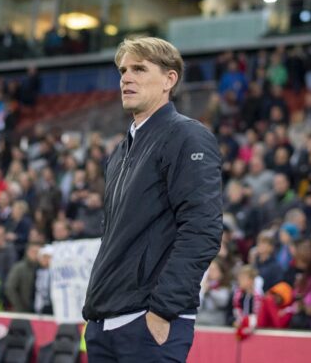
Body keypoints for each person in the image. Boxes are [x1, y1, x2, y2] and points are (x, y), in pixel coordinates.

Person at [83, 37, 222, 362]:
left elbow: (202, 230)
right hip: (104, 322)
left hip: (149, 322)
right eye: (123, 70)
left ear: (169, 80)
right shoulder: (120, 151)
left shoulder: (188, 136)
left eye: (139, 69)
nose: (126, 78)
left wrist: (162, 310)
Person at [5, 242, 41, 313]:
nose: (36, 255)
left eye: (39, 252)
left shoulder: (42, 269)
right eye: (34, 252)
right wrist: (19, 307)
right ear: (27, 252)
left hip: (38, 311)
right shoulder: (19, 268)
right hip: (21, 310)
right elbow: (10, 288)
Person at [197, 258, 232, 326]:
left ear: (221, 272)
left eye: (214, 270)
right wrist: (202, 291)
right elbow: (198, 306)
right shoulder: (203, 284)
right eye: (209, 269)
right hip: (200, 321)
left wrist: (209, 290)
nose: (210, 272)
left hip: (217, 323)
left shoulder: (226, 287)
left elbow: (223, 302)